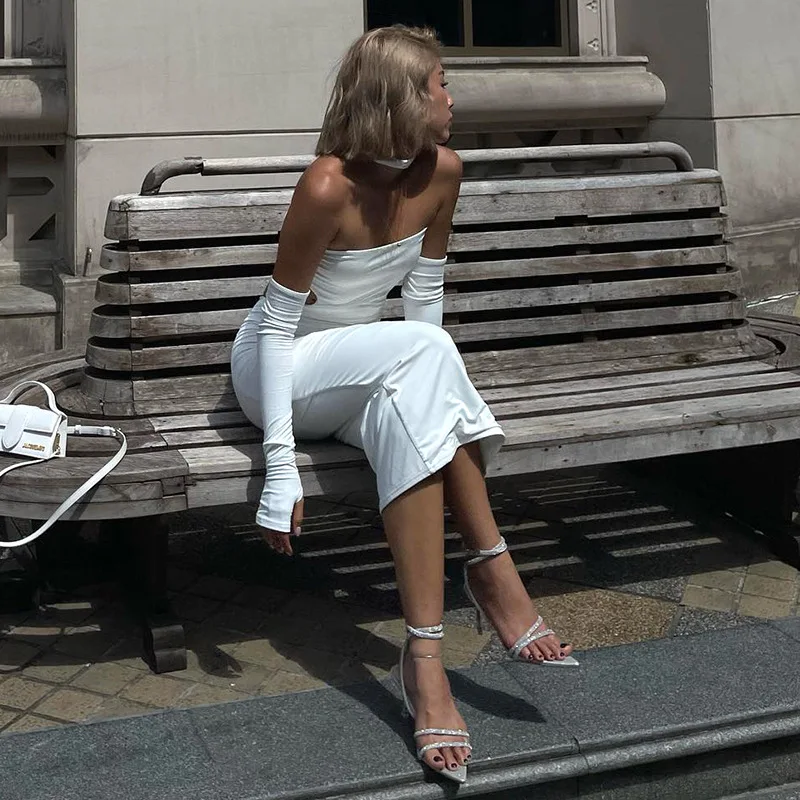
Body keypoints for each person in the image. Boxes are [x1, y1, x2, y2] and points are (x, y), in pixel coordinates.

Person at [230, 25, 576, 784]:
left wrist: (428, 390)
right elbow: (278, 329)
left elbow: (424, 299)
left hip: (372, 367)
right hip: (281, 372)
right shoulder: (327, 186)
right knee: (423, 354)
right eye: (440, 84)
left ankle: (424, 659)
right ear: (400, 100)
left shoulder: (444, 172)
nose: (453, 98)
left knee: (417, 407)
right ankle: (492, 567)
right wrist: (280, 466)